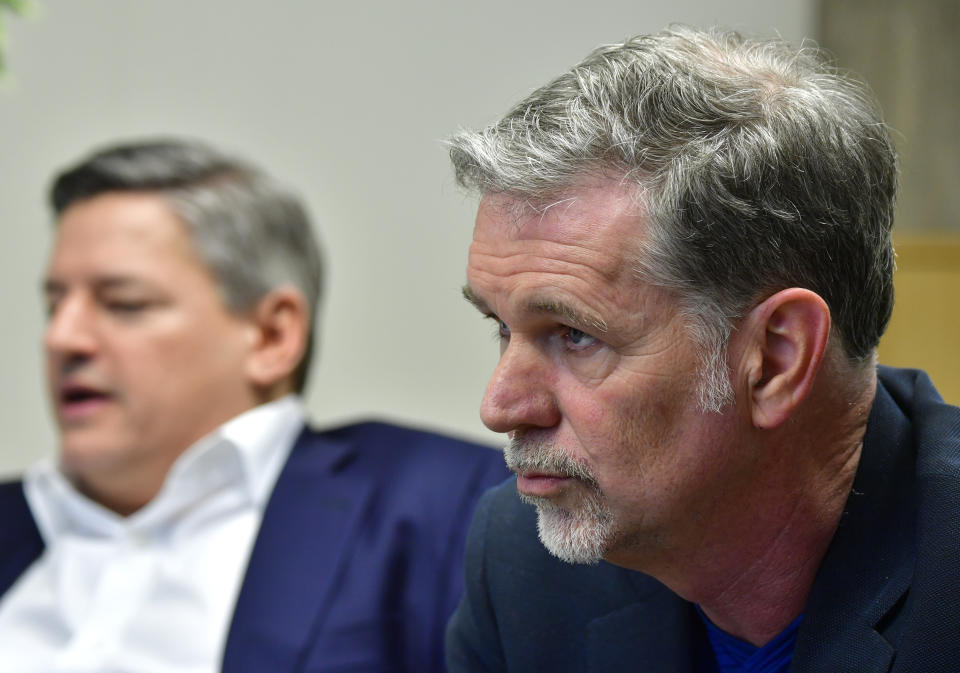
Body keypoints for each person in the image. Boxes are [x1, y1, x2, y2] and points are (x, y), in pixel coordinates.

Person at [446, 25, 960, 673]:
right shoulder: (526, 565)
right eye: (501, 326)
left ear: (775, 360)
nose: (500, 405)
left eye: (575, 335)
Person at [0, 138, 509, 673]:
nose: (62, 338)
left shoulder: (449, 505)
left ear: (272, 336)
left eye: (123, 304)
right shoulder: (15, 520)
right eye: (54, 305)